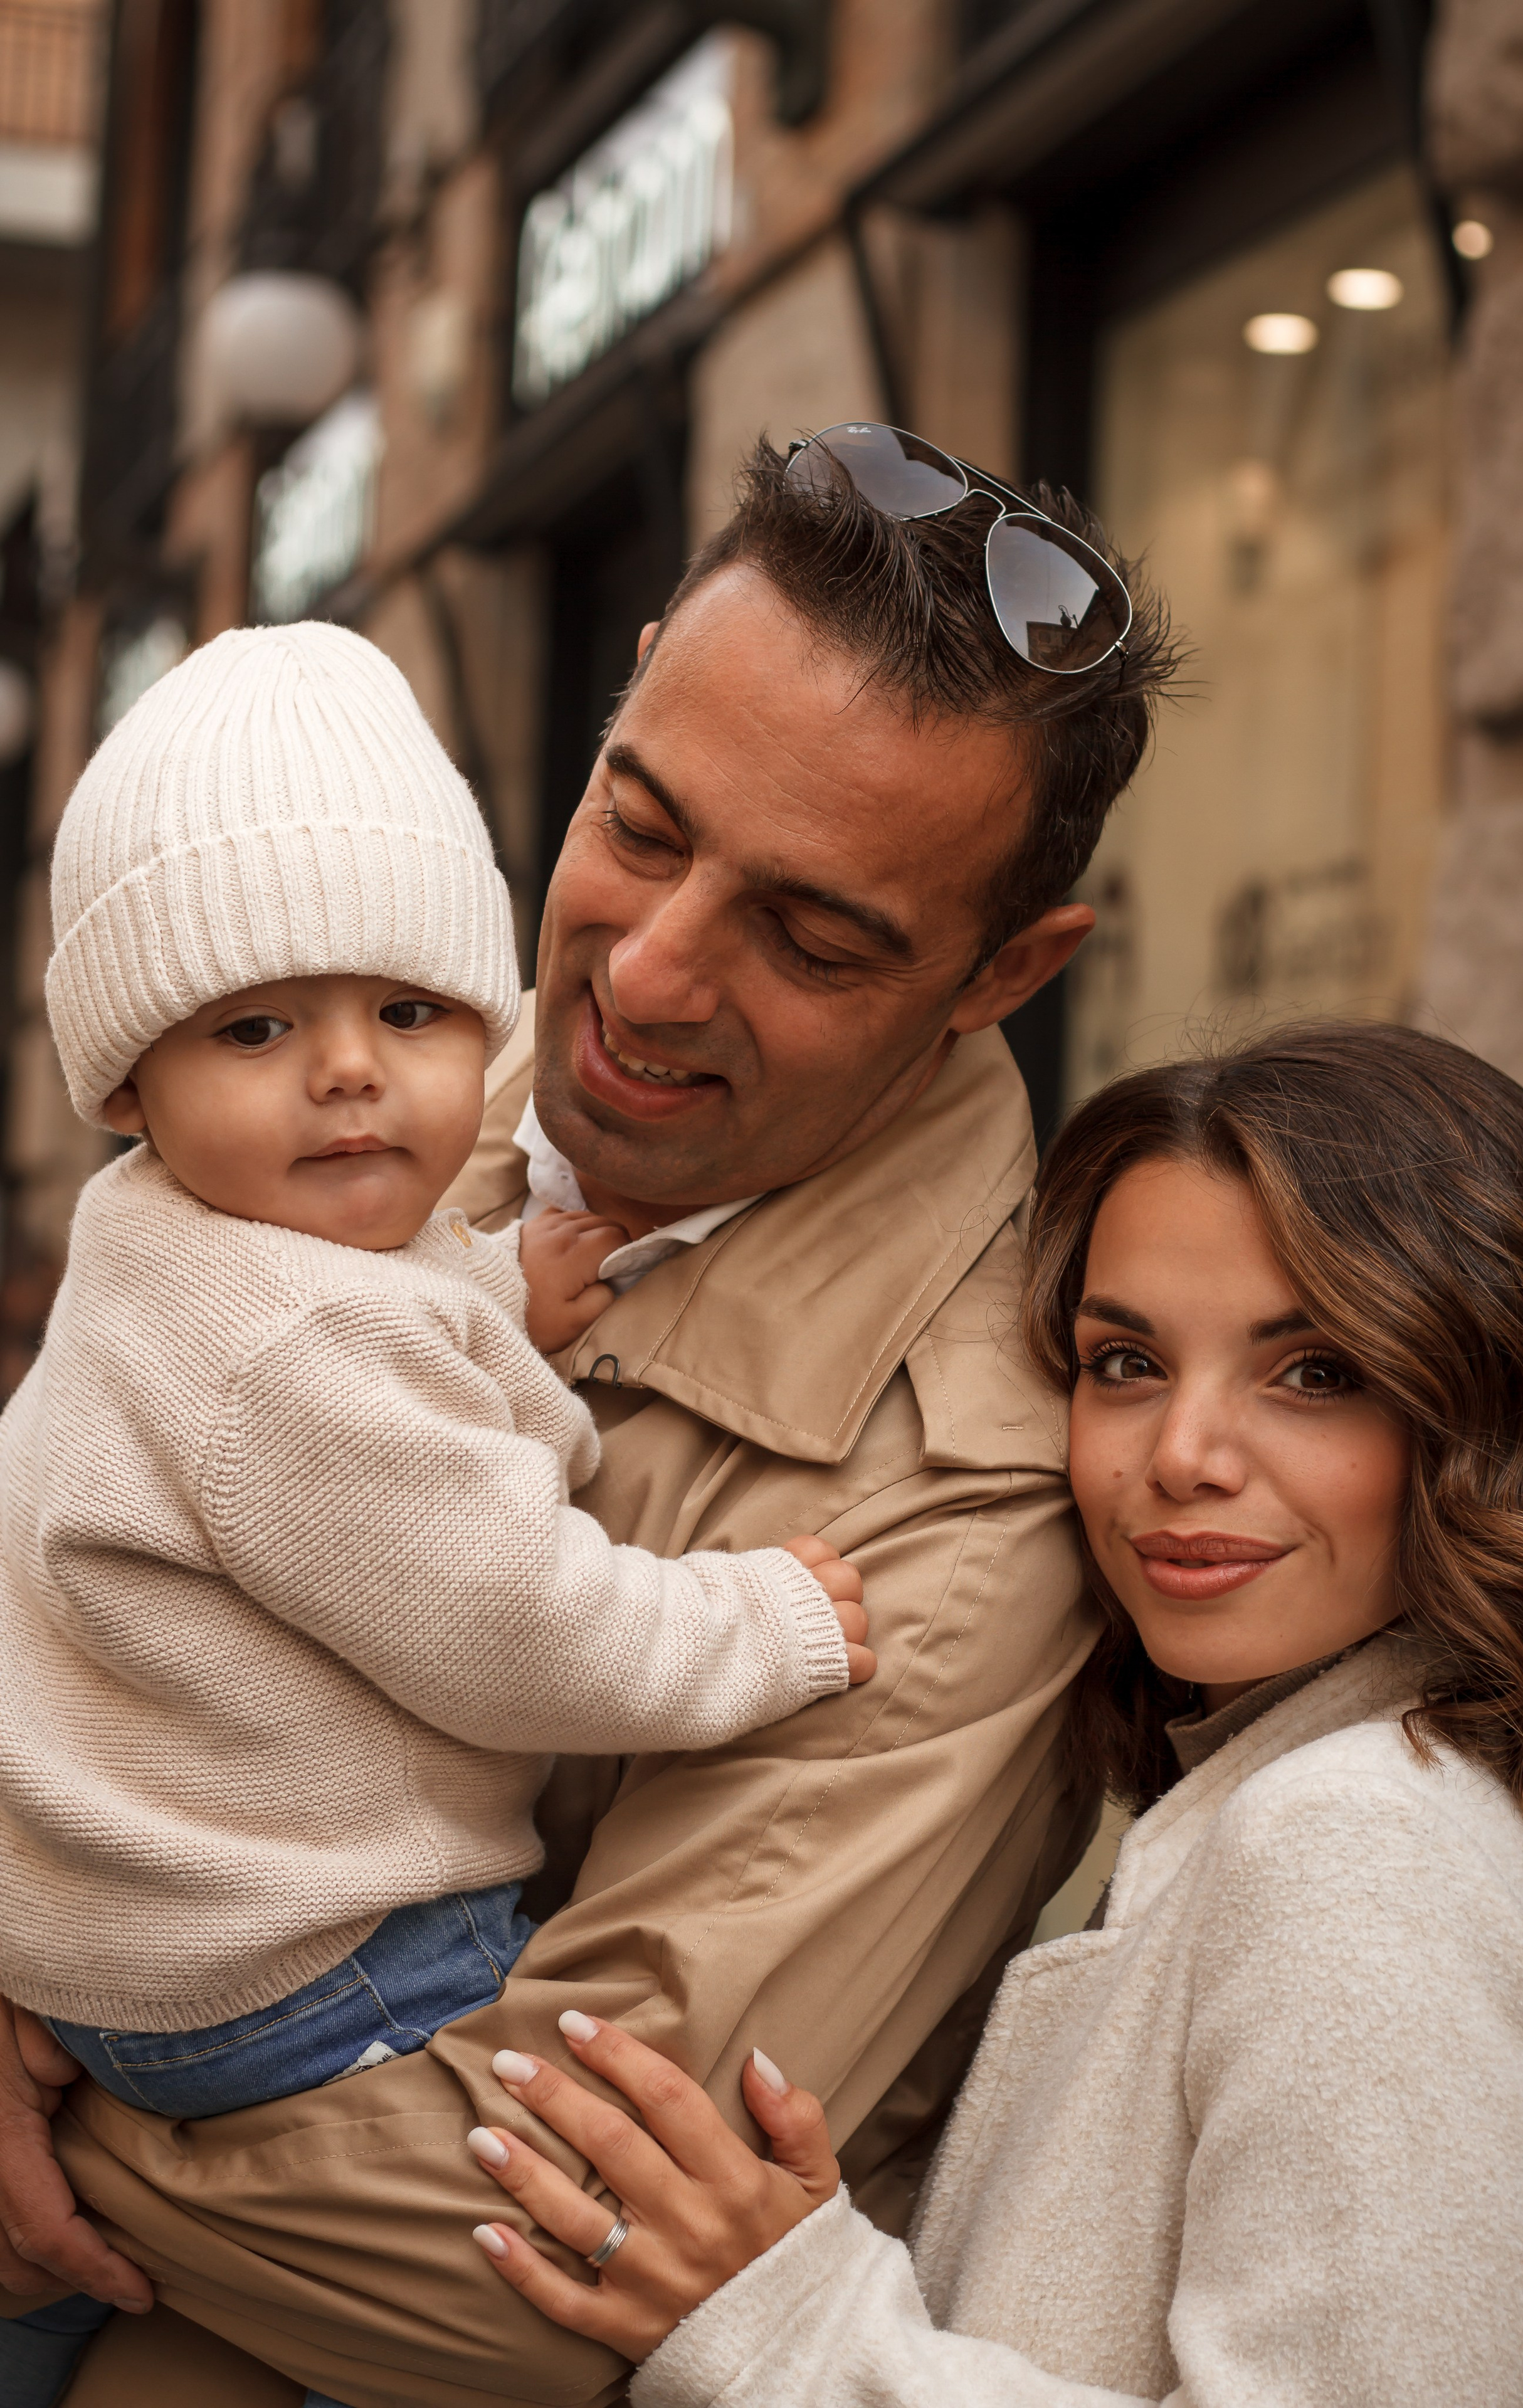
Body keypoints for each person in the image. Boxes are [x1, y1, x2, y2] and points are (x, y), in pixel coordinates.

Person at [0, 427, 1177, 2407]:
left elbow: (542, 2261)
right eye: (642, 823)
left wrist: (72, 2084)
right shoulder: (348, 1034)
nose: (644, 974)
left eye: (813, 939)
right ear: (622, 689)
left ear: (1008, 974)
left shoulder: (964, 1509)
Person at [463, 1022, 1523, 2408]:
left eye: (1312, 1373)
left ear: (1481, 1398)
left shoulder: (1359, 1848)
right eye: (1123, 1362)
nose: (1180, 1457)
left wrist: (799, 2337)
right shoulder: (1348, 1795)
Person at [0, 619, 875, 2406]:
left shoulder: (163, 1248)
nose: (347, 1071)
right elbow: (516, 1625)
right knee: (505, 2244)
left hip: (104, 1964)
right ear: (129, 1082)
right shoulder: (306, 1348)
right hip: (309, 1972)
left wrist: (489, 1296)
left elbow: (344, 1344)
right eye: (258, 1026)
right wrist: (761, 1623)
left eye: (407, 1014)